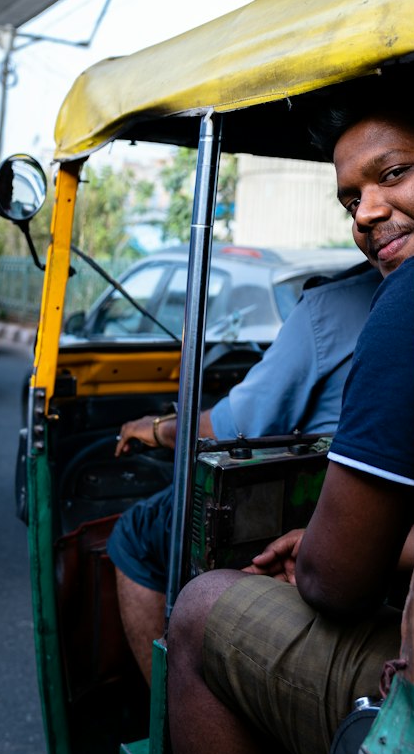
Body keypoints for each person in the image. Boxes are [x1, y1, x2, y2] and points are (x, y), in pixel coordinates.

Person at [166, 76, 414, 754]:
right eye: (352, 198)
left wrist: (322, 556)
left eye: (395, 174)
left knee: (200, 608)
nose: (370, 212)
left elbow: (330, 579)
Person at [108, 259, 380, 687]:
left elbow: (229, 430)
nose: (365, 214)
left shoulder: (331, 307)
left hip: (314, 512)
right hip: (370, 517)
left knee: (136, 534)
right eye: (352, 202)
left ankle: (165, 723)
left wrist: (156, 429)